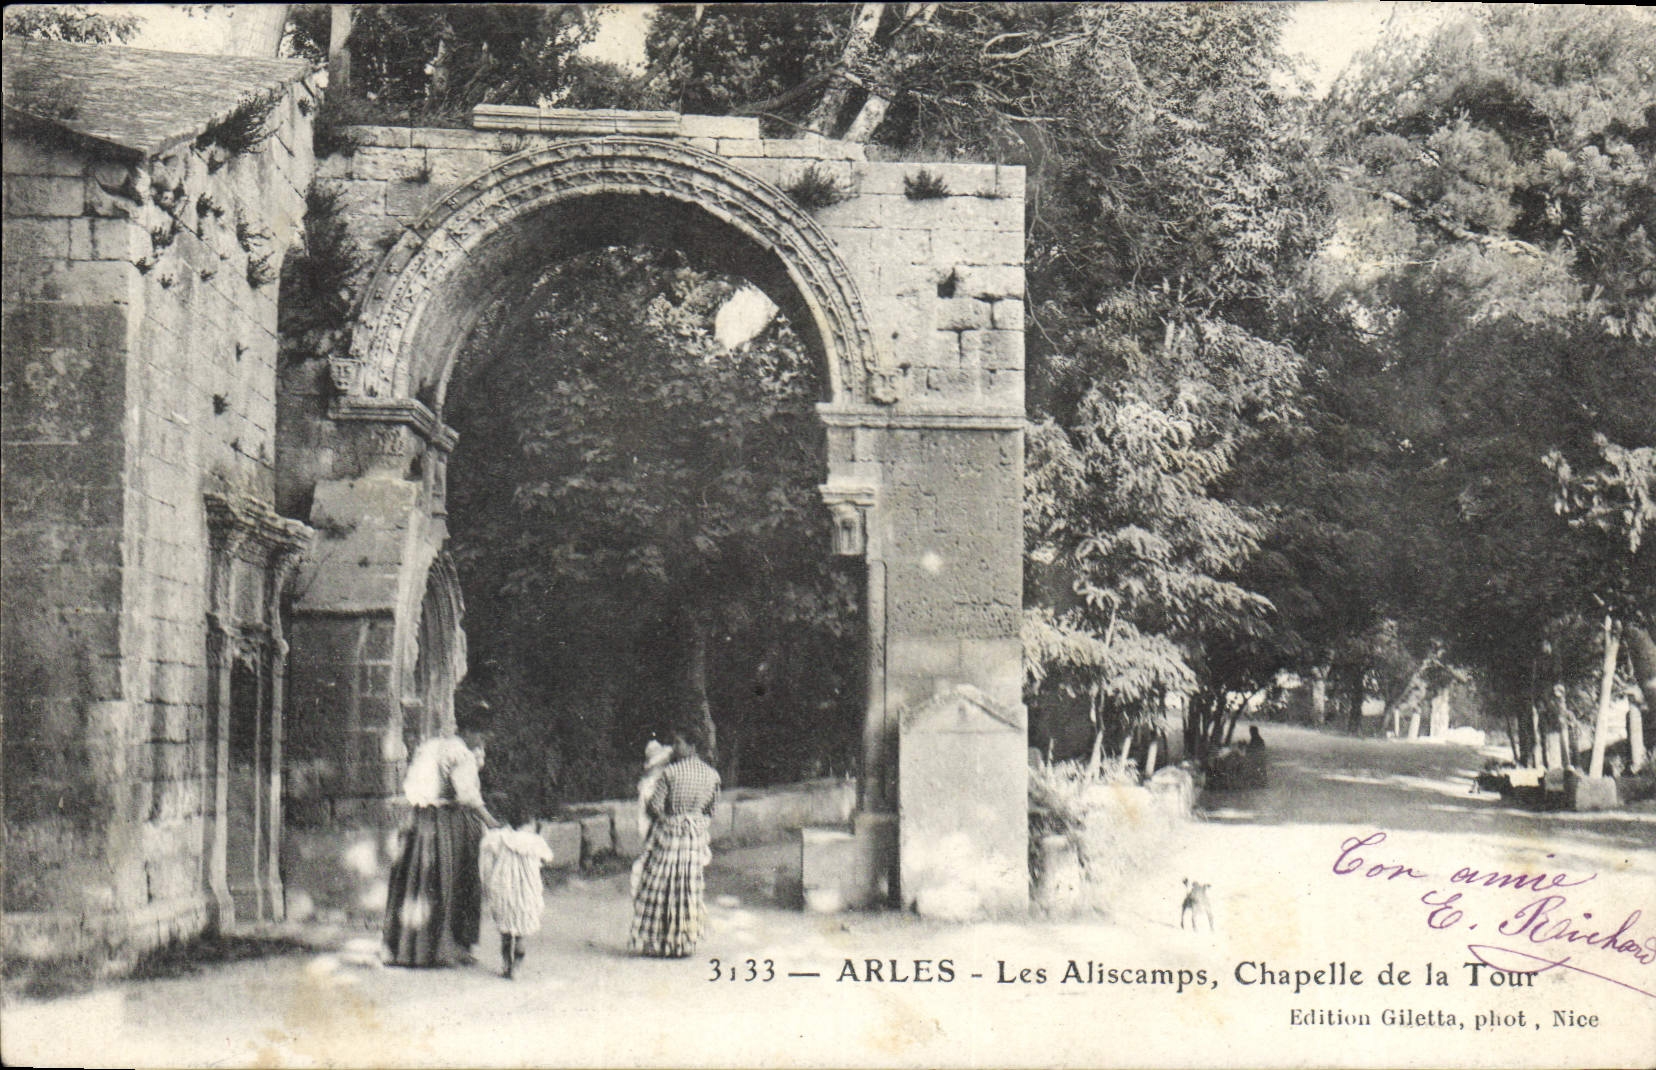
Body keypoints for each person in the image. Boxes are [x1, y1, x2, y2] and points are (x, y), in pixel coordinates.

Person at [383, 731, 501, 967]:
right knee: (448, 881)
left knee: (419, 881)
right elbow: (467, 795)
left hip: (419, 819)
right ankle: (446, 949)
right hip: (447, 823)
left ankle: (408, 950)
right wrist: (491, 821)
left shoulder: (430, 747)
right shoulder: (461, 754)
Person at [628, 731, 721, 958]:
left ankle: (660, 941)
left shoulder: (670, 773)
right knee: (686, 889)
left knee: (660, 886)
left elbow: (655, 807)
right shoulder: (712, 775)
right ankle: (683, 943)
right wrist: (695, 820)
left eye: (679, 742)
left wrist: (667, 817)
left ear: (691, 745)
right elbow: (711, 810)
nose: (674, 746)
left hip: (669, 836)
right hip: (693, 839)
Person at [479, 803, 555, 980]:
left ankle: (506, 964)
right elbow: (547, 858)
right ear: (530, 823)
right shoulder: (535, 842)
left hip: (505, 892)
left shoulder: (499, 838)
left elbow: (487, 853)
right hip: (525, 894)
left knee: (506, 933)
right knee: (520, 934)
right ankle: (517, 967)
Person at [630, 739, 675, 899]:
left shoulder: (653, 783)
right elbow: (655, 809)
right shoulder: (650, 785)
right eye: (664, 764)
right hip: (652, 825)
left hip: (652, 825)